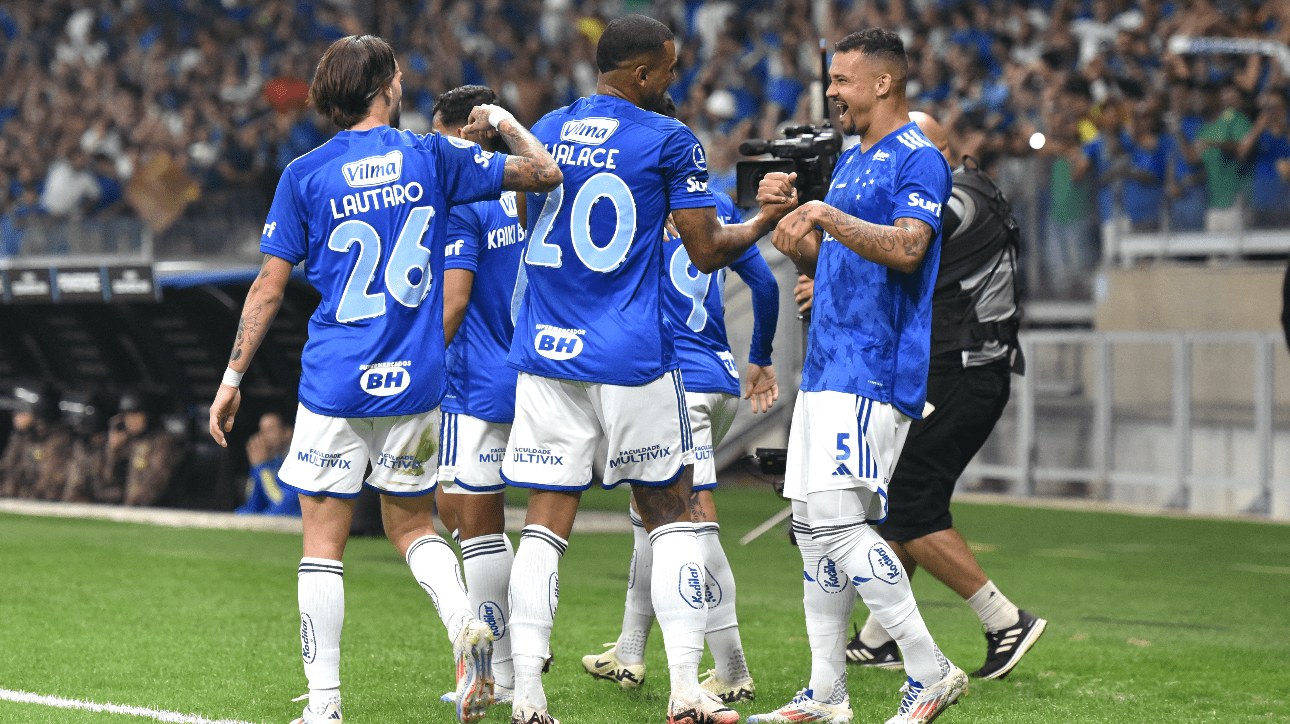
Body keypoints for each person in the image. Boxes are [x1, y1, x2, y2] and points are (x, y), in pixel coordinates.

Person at [206, 34, 560, 724]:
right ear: (385, 87)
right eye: (397, 75)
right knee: (412, 526)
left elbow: (268, 289)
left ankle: (327, 707)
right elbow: (544, 174)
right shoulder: (433, 155)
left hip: (337, 379)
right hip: (418, 381)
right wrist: (504, 123)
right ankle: (464, 622)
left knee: (322, 541)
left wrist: (231, 377)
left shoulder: (305, 174)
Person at [500, 15, 796, 724]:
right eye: (667, 69)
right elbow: (705, 249)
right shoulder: (668, 138)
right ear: (640, 74)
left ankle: (529, 698)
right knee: (674, 517)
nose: (673, 81)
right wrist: (763, 217)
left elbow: (521, 207)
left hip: (547, 353)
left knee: (544, 525)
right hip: (630, 356)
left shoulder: (548, 126)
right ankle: (687, 689)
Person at [751, 29, 965, 724]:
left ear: (883, 83)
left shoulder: (918, 159)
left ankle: (929, 672)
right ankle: (825, 693)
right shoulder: (851, 160)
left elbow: (906, 247)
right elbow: (839, 252)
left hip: (874, 369)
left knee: (842, 528)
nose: (832, 91)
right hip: (827, 368)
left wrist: (824, 213)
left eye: (843, 79)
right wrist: (790, 216)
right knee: (814, 530)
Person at [791, 111, 1046, 682]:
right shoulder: (967, 192)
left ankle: (1003, 620)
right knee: (899, 497)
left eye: (909, 149)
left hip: (963, 369)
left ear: (938, 150)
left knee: (908, 503)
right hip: (961, 369)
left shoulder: (959, 198)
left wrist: (829, 229)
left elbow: (903, 245)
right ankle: (879, 637)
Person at [581, 92, 781, 705]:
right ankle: (631, 650)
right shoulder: (712, 205)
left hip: (671, 381)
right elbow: (766, 285)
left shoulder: (630, 204)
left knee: (691, 522)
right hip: (716, 376)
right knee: (654, 516)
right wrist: (762, 360)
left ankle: (732, 668)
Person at [429, 84, 527, 705]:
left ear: (467, 134)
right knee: (543, 526)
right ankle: (516, 676)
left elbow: (454, 301)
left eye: (440, 139)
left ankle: (496, 676)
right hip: (540, 375)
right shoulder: (538, 192)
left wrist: (417, 366)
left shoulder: (467, 201)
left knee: (474, 523)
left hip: (478, 383)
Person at [101, 391, 183, 506]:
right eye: (127, 415)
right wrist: (114, 450)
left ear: (149, 414)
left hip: (154, 511)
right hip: (128, 510)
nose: (131, 420)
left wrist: (130, 508)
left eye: (136, 414)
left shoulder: (163, 442)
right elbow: (108, 481)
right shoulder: (127, 441)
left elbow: (156, 483)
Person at [0, 384, 71, 500]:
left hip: (39, 500)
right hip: (14, 498)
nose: (18, 417)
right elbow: (8, 465)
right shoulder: (26, 436)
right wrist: (20, 433)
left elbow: (48, 477)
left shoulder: (59, 438)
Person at [234, 411, 299, 516]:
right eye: (261, 430)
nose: (263, 436)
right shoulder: (267, 461)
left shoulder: (297, 462)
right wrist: (257, 467)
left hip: (291, 517)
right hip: (271, 514)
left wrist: (261, 467)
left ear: (288, 433)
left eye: (270, 430)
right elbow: (253, 505)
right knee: (240, 513)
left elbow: (281, 503)